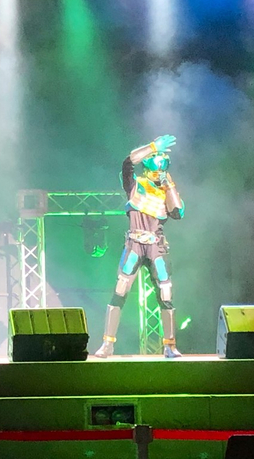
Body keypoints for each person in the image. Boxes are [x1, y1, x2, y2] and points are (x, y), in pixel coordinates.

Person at [95, 135, 184, 359]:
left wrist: (169, 184)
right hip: (135, 243)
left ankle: (170, 345)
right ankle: (107, 343)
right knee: (120, 291)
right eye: (155, 168)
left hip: (156, 246)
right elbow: (127, 163)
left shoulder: (166, 191)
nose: (157, 173)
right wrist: (152, 147)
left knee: (165, 292)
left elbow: (177, 212)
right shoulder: (135, 185)